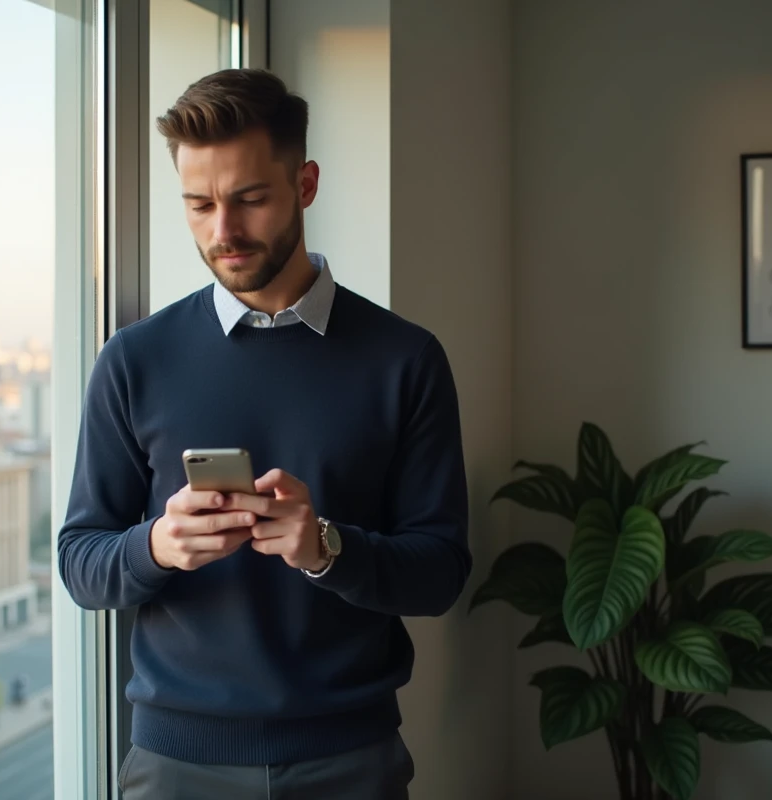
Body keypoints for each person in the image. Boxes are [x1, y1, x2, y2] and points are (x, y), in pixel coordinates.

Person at [57, 67, 471, 800]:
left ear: (305, 185)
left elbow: (440, 572)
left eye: (249, 199)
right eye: (199, 204)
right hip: (174, 765)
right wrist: (157, 545)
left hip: (351, 759)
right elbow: (80, 562)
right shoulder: (133, 360)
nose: (224, 231)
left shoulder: (406, 359)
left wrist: (326, 549)